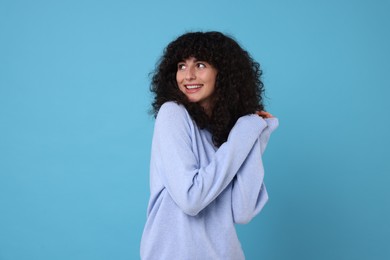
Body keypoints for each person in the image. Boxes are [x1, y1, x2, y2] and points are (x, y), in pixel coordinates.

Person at [140, 31, 278, 260]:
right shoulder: (173, 114)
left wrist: (255, 135)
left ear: (222, 73)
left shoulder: (227, 133)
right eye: (181, 66)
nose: (188, 76)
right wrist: (243, 133)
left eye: (201, 65)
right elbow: (190, 199)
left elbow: (242, 211)